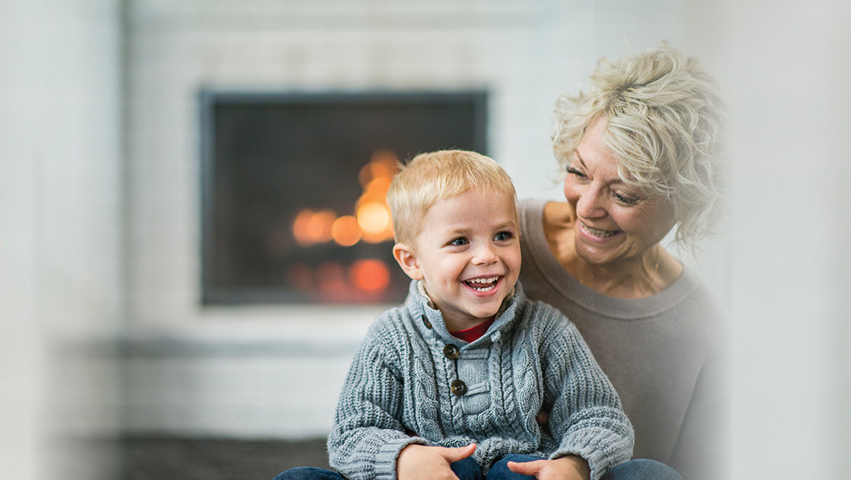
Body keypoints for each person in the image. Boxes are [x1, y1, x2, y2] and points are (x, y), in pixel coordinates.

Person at [274, 150, 679, 480]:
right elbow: (352, 434)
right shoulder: (391, 337)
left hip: (522, 473)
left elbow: (599, 416)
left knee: (651, 474)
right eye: (459, 241)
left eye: (502, 236)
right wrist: (404, 460)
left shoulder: (546, 330)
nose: (487, 256)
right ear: (412, 261)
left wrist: (573, 464)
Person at [516, 43, 727, 479]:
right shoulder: (501, 238)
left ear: (686, 202)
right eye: (578, 173)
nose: (586, 207)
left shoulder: (699, 324)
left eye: (624, 194)